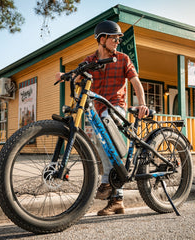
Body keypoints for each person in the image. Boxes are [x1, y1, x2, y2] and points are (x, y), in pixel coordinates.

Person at [56, 20, 149, 216]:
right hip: (96, 110)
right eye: (114, 38)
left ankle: (106, 180)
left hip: (115, 108)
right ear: (102, 39)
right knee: (100, 145)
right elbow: (77, 74)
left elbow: (136, 82)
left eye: (119, 38)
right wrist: (66, 75)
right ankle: (117, 200)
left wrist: (142, 103)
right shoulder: (91, 60)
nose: (117, 41)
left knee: (106, 131)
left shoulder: (123, 59)